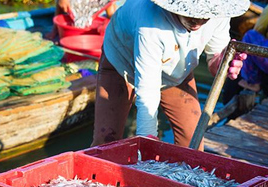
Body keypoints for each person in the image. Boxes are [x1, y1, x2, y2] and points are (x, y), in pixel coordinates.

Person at [92, 0, 249, 148]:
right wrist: (147, 142)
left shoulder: (219, 9)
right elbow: (148, 91)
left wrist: (223, 63)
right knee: (105, 142)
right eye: (192, 15)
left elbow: (214, 58)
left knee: (193, 140)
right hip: (121, 61)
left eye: (205, 16)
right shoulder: (150, 23)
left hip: (174, 68)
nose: (198, 21)